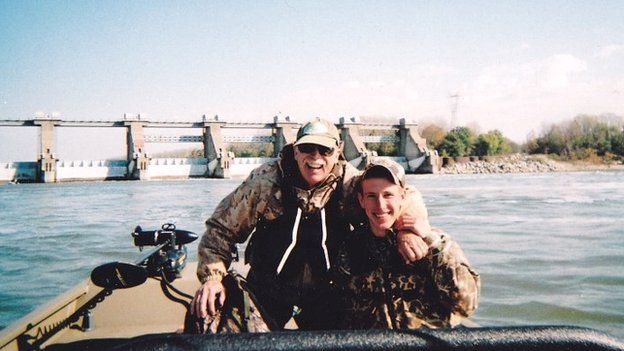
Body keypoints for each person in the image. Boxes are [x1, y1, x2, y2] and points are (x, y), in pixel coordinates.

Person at [191, 117, 432, 330]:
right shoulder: (265, 182)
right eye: (307, 148)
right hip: (266, 291)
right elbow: (220, 230)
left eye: (324, 150)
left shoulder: (350, 183)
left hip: (329, 294)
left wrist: (405, 231)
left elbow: (404, 194)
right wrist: (212, 278)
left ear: (338, 151)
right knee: (210, 319)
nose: (315, 157)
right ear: (295, 151)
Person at [334, 160, 480, 329]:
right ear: (361, 200)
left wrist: (432, 243)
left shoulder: (435, 242)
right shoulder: (351, 246)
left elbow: (466, 304)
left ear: (403, 197)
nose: (380, 206)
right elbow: (341, 307)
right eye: (371, 196)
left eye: (388, 195)